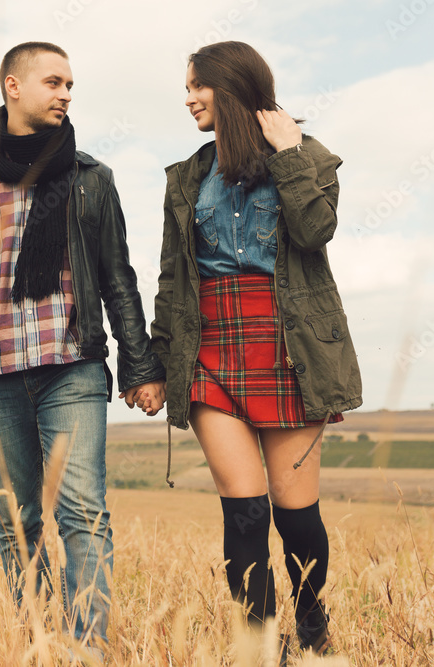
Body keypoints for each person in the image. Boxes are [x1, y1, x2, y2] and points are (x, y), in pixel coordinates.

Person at [0, 42, 165, 651]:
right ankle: (37, 642)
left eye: (71, 85)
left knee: (83, 513)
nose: (66, 94)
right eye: (54, 82)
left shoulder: (90, 179)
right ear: (12, 86)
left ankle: (87, 651)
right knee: (19, 522)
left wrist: (140, 365)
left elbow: (117, 277)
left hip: (72, 368)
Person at [148, 41, 362, 656]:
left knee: (296, 519)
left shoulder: (309, 157)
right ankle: (260, 646)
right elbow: (172, 277)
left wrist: (289, 154)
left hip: (288, 347)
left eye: (197, 86)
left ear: (233, 87)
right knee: (243, 514)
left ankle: (312, 625)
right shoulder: (186, 177)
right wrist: (163, 365)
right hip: (210, 346)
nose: (188, 98)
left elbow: (315, 231)